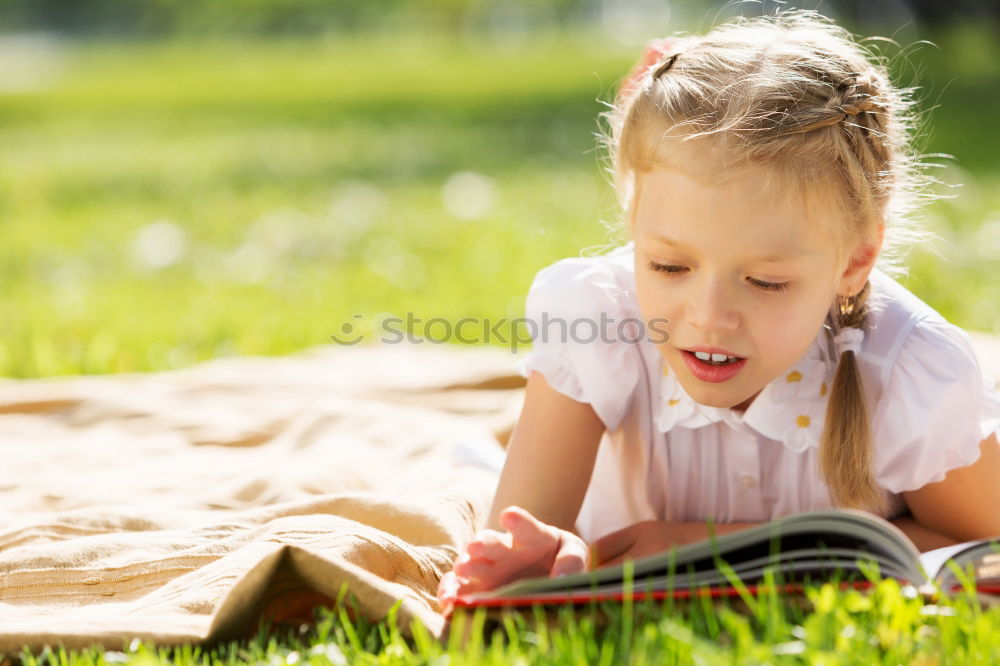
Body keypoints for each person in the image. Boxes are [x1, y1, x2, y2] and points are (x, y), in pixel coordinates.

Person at [438, 9, 1000, 610]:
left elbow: (984, 547)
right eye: (668, 267)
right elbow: (517, 541)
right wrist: (533, 560)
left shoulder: (911, 371)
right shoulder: (599, 321)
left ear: (855, 262)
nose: (708, 316)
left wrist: (697, 546)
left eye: (765, 281)